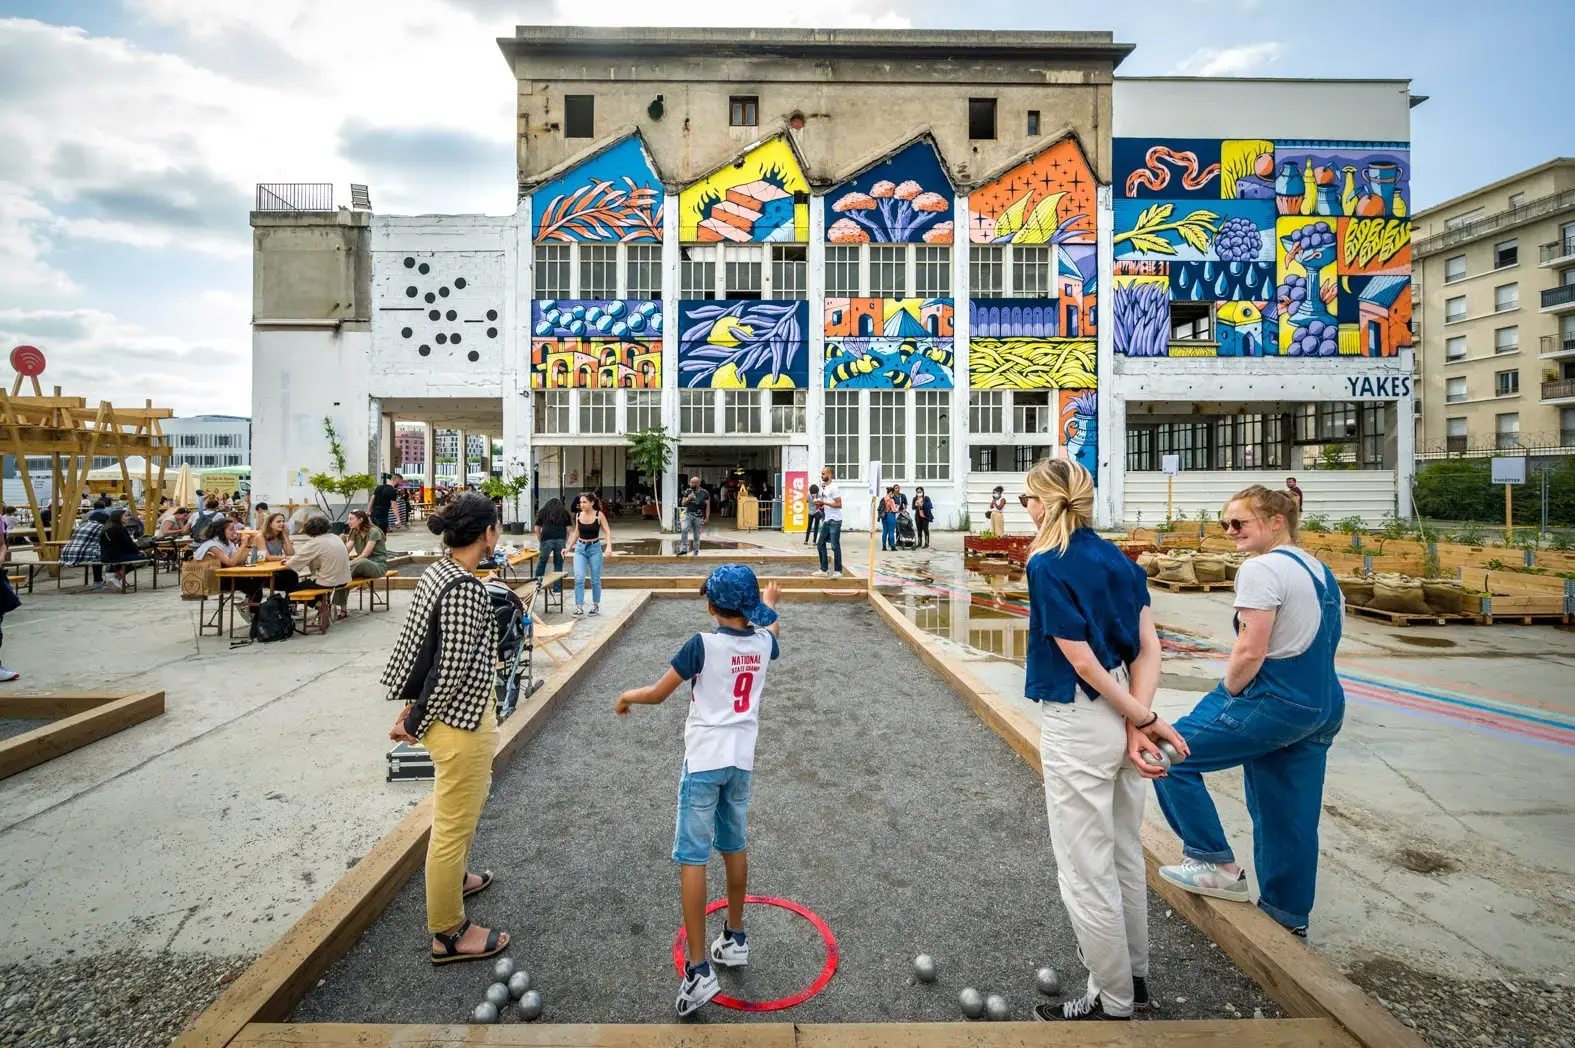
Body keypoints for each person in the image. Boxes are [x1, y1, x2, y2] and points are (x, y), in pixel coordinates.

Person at [1020, 458, 1187, 1022]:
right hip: (1124, 705)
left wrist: (1140, 717)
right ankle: (1132, 979)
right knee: (1122, 853)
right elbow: (1147, 648)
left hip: (1081, 714)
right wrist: (1139, 719)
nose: (1025, 509)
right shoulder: (1119, 560)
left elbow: (1083, 664)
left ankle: (1111, 999)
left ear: (1045, 504)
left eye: (1026, 499)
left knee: (1084, 866)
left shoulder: (1046, 563)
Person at [1153, 486, 1344, 940]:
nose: (1230, 531)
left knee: (1166, 752)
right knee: (1289, 815)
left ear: (1277, 521)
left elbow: (1251, 649)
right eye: (1225, 524)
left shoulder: (1261, 569)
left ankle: (1212, 862)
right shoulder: (1319, 570)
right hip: (1322, 705)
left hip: (1274, 698)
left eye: (1239, 522)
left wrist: (1227, 693)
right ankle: (1287, 917)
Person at [614, 565, 783, 1018]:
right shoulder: (763, 643)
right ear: (750, 608)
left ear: (711, 606)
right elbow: (771, 628)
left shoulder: (702, 645)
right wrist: (770, 604)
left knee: (693, 856)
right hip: (740, 761)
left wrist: (627, 695)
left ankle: (698, 969)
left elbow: (658, 693)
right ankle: (735, 937)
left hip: (705, 760)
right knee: (734, 844)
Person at [382, 491, 509, 966]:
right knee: (452, 827)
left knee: (458, 814)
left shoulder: (439, 572)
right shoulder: (466, 588)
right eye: (497, 526)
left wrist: (411, 709)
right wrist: (414, 721)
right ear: (487, 533)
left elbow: (425, 649)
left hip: (448, 717)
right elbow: (449, 669)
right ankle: (449, 932)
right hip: (459, 723)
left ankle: (454, 882)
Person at [276, 515, 354, 618]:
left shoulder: (314, 543)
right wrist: (293, 559)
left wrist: (288, 561)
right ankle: (323, 609)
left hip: (328, 581)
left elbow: (292, 564)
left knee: (293, 589)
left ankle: (322, 606)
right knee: (311, 583)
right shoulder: (335, 537)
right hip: (344, 579)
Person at [192, 518, 264, 608]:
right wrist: (242, 545)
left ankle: (249, 608)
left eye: (235, 528)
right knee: (253, 585)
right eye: (231, 529)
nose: (235, 532)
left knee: (256, 582)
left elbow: (240, 561)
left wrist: (248, 545)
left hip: (224, 576)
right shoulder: (212, 545)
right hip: (212, 581)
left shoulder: (228, 543)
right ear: (221, 531)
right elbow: (231, 563)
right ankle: (250, 609)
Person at [571, 492, 611, 616]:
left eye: (584, 502)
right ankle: (579, 607)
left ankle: (595, 605)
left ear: (592, 503)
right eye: (580, 502)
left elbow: (607, 531)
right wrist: (568, 547)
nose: (582, 504)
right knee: (579, 578)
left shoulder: (599, 515)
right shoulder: (578, 515)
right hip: (580, 549)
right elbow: (576, 532)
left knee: (595, 579)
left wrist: (609, 546)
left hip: (595, 548)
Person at [99, 509, 144, 591]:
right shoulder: (120, 528)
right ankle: (116, 578)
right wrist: (137, 551)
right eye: (125, 516)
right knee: (144, 559)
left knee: (127, 558)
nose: (127, 518)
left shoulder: (105, 527)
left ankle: (111, 578)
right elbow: (129, 544)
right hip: (118, 556)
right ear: (118, 517)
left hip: (106, 556)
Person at [60, 512, 108, 589]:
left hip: (66, 554)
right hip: (79, 555)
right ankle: (100, 582)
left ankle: (99, 581)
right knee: (103, 556)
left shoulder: (82, 525)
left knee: (96, 553)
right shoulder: (101, 527)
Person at [344, 509, 389, 589]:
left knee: (362, 562)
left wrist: (349, 564)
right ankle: (337, 586)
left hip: (378, 566)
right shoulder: (354, 532)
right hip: (361, 566)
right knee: (344, 578)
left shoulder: (374, 532)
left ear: (360, 520)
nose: (348, 522)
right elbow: (346, 551)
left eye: (351, 519)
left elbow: (365, 555)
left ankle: (337, 577)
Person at [811, 467, 843, 579]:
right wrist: (820, 504)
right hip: (827, 520)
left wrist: (824, 502)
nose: (822, 476)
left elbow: (839, 504)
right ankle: (823, 570)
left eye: (823, 474)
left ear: (829, 475)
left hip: (835, 520)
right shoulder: (824, 487)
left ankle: (838, 571)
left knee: (835, 546)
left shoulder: (834, 487)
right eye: (821, 474)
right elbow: (826, 502)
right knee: (820, 544)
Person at [533, 497, 571, 587]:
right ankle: (557, 589)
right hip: (560, 540)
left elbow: (536, 529)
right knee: (558, 564)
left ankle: (537, 586)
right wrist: (565, 540)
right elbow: (568, 529)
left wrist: (540, 539)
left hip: (546, 539)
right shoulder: (564, 512)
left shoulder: (542, 512)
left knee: (542, 562)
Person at [679, 476, 710, 556]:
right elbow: (683, 503)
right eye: (690, 482)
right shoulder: (688, 491)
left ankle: (696, 553)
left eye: (692, 482)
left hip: (699, 517)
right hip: (688, 514)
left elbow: (708, 506)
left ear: (698, 483)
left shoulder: (705, 493)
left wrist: (707, 517)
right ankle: (684, 549)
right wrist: (688, 499)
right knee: (684, 529)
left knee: (696, 535)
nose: (690, 484)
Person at [880, 486, 899, 551]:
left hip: (883, 516)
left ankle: (884, 547)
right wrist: (897, 508)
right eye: (892, 493)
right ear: (890, 492)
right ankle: (892, 547)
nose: (893, 494)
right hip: (890, 515)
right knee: (891, 531)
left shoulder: (883, 499)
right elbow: (894, 510)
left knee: (885, 531)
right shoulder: (891, 500)